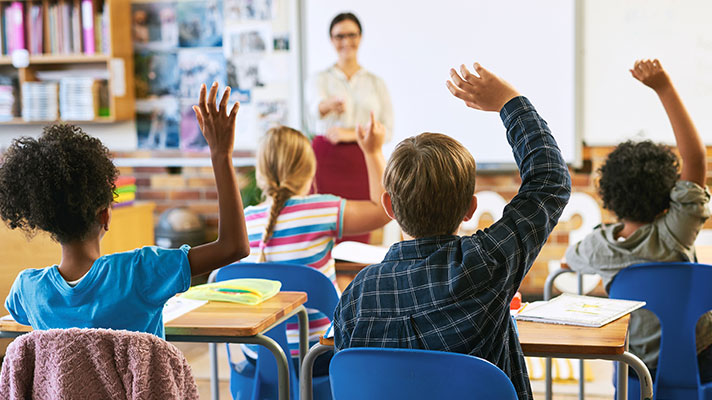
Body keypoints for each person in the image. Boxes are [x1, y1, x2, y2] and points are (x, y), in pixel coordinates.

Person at [332, 62, 571, 400]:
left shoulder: (357, 297)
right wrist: (509, 100)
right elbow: (550, 181)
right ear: (471, 209)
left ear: (389, 207)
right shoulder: (484, 265)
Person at [1, 82, 250, 339]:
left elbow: (17, 314)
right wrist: (221, 155)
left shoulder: (28, 290)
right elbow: (234, 247)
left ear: (46, 222)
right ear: (105, 215)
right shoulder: (140, 273)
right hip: (141, 382)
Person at [565, 59, 712, 382]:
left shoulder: (597, 247)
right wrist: (664, 87)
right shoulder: (676, 232)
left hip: (635, 372)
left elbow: (569, 261)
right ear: (670, 193)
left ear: (609, 197)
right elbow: (696, 159)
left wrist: (568, 264)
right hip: (700, 363)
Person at [237, 114, 391, 372]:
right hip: (317, 357)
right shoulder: (321, 210)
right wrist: (373, 151)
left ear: (261, 173)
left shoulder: (244, 221)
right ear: (310, 170)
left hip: (259, 358)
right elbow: (385, 209)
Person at [306, 12, 394, 243]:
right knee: (322, 224)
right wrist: (328, 105)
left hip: (362, 159)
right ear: (331, 40)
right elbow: (315, 109)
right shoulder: (320, 79)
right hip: (326, 159)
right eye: (339, 36)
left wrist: (349, 133)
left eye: (352, 35)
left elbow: (387, 128)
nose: (346, 41)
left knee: (362, 227)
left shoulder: (376, 83)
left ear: (360, 37)